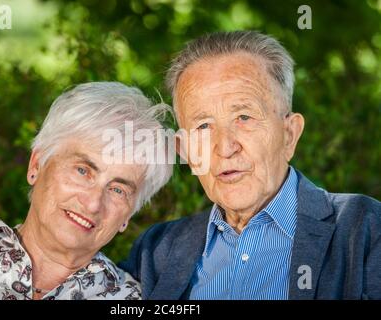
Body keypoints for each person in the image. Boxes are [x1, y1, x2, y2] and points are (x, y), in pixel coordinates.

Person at [120, 31, 381, 300]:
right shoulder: (155, 251)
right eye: (203, 126)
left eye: (244, 117)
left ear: (289, 134)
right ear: (185, 150)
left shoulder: (364, 229)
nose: (225, 147)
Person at [0, 82, 172, 300]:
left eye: (117, 190)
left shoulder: (132, 299)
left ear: (127, 216)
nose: (92, 204)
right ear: (36, 165)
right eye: (82, 170)